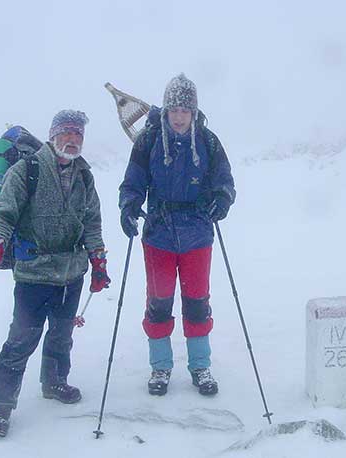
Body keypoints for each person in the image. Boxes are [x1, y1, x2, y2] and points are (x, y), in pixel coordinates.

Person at [0, 109, 110, 437]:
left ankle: (54, 382)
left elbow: (91, 221)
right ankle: (1, 405)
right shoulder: (28, 169)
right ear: (52, 135)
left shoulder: (84, 176)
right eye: (66, 132)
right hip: (34, 273)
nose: (72, 139)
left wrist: (98, 259)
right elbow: (4, 212)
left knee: (62, 334)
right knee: (22, 338)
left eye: (78, 134)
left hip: (70, 272)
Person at [118, 74, 235, 396]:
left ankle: (200, 365)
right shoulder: (149, 140)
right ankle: (161, 367)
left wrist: (222, 199)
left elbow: (224, 179)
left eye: (186, 109)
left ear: (194, 111)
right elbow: (133, 181)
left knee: (197, 303)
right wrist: (128, 206)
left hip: (198, 232)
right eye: (174, 109)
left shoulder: (208, 141)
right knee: (158, 303)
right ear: (167, 110)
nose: (180, 116)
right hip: (158, 234)